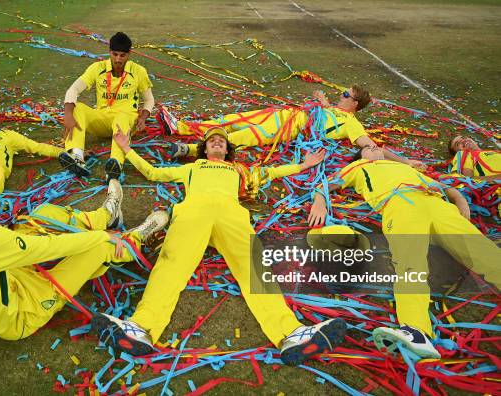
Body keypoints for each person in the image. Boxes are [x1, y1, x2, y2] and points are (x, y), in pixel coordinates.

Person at [90, 126, 349, 366]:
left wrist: (304, 164)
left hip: (231, 217)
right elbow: (153, 173)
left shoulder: (239, 170)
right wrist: (127, 149)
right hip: (193, 213)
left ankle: (290, 333)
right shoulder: (193, 167)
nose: (216, 142)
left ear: (227, 150)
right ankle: (142, 327)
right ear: (204, 149)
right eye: (212, 140)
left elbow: (271, 172)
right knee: (171, 264)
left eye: (221, 141)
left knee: (255, 268)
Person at [0, 150, 169, 340]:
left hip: (5, 278)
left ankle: (105, 215)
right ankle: (136, 239)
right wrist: (102, 237)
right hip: (19, 312)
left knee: (42, 214)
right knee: (97, 248)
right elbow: (48, 247)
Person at [308, 145, 500, 358]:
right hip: (400, 205)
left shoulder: (406, 168)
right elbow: (324, 185)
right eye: (367, 148)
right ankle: (417, 331)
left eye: (375, 146)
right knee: (410, 263)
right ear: (360, 156)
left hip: (437, 205)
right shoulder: (356, 167)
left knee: (482, 250)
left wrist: (460, 200)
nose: (373, 147)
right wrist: (319, 204)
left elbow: (443, 187)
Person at [165, 86, 423, 169]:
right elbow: (323, 111)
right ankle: (184, 127)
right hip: (283, 115)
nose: (340, 95)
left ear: (354, 103)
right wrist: (322, 101)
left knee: (242, 136)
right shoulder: (333, 109)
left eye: (345, 94)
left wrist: (406, 162)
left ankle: (187, 149)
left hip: (289, 129)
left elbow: (368, 145)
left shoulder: (352, 123)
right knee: (234, 119)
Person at [61, 32, 155, 182]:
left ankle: (115, 165)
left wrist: (143, 118)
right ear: (109, 52)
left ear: (129, 54)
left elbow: (149, 100)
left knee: (122, 117)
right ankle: (76, 156)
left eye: (122, 55)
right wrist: (68, 115)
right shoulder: (97, 68)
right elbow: (73, 90)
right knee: (76, 108)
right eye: (114, 54)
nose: (118, 59)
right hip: (103, 119)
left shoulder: (138, 71)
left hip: (126, 120)